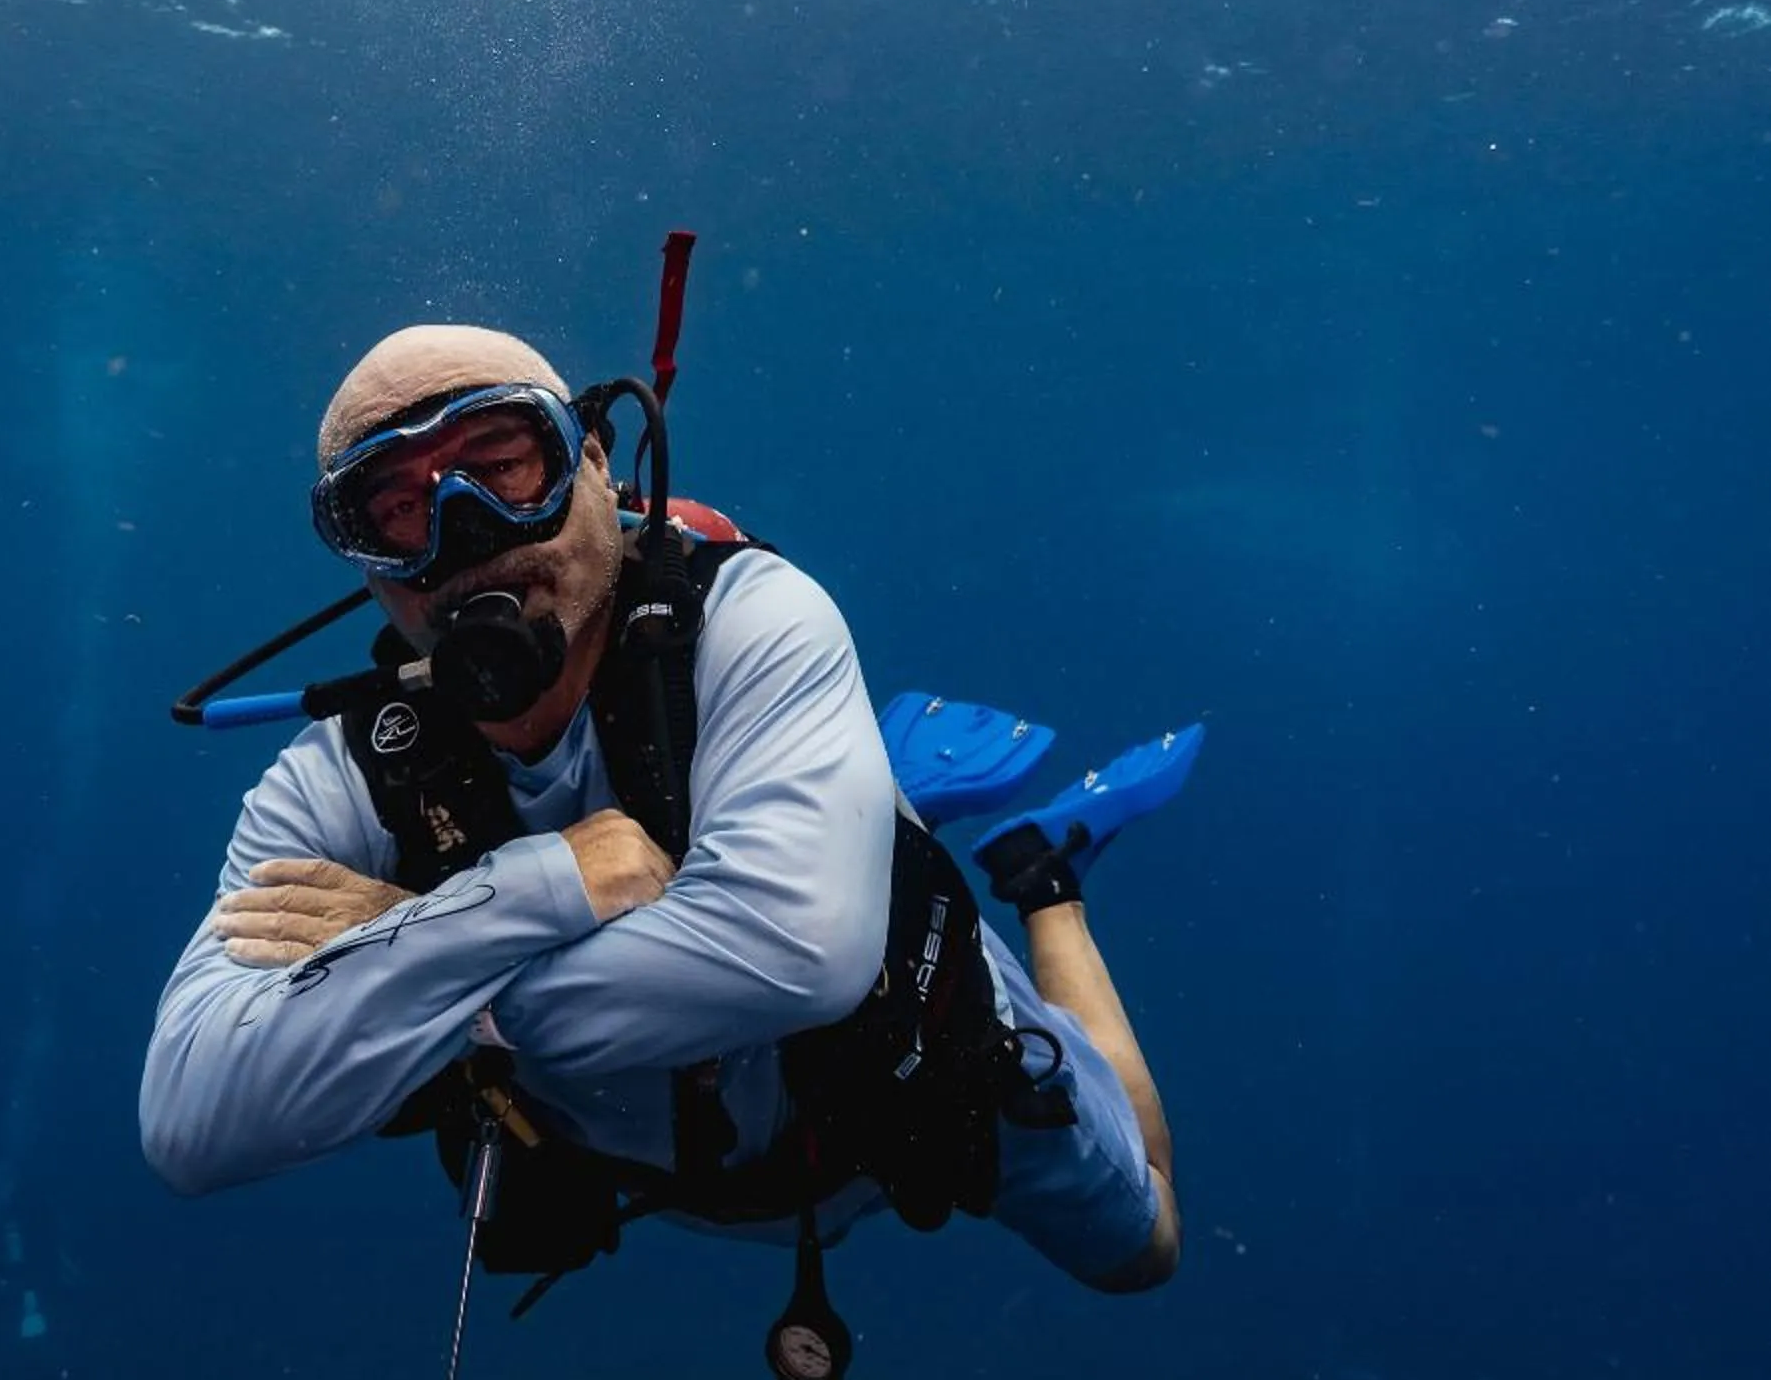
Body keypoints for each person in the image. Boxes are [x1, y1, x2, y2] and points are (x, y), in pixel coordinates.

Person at [140, 323, 1184, 1298]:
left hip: (916, 1097)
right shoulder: (347, 772)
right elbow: (191, 1116)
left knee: (1145, 1249)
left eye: (505, 465)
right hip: (679, 1175)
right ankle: (863, 797)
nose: (465, 535)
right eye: (398, 509)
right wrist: (548, 883)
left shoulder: (757, 617)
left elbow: (795, 953)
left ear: (594, 458)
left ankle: (1040, 876)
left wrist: (412, 960)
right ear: (365, 559)